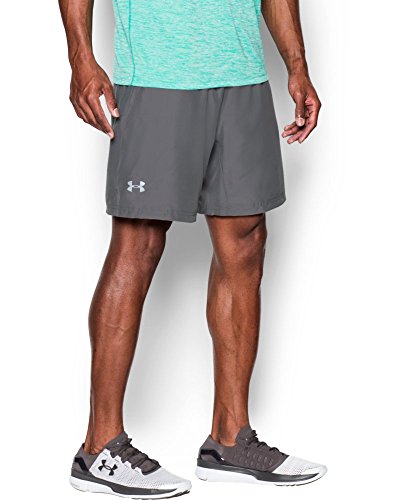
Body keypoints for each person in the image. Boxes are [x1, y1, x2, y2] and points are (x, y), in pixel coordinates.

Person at [59, 0, 326, 497]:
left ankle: (229, 440)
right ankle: (99, 447)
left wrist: (297, 64)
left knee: (245, 240)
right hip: (157, 76)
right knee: (138, 241)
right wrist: (81, 56)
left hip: (242, 75)